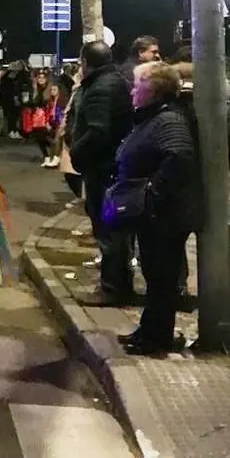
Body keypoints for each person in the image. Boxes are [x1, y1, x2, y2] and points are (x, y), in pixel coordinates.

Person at [114, 62, 198, 355]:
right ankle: (148, 331)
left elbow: (179, 156)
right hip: (156, 214)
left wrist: (152, 192)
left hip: (165, 215)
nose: (133, 91)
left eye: (138, 86)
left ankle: (157, 338)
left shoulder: (169, 120)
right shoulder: (155, 117)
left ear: (154, 91)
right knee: (154, 274)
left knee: (162, 278)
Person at [70, 40, 133, 305]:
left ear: (86, 62)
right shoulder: (113, 81)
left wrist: (76, 152)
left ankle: (112, 288)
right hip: (109, 167)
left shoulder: (100, 88)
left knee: (109, 231)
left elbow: (98, 131)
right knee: (115, 232)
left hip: (103, 169)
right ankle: (119, 285)